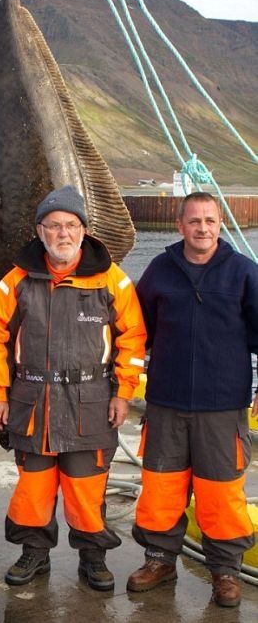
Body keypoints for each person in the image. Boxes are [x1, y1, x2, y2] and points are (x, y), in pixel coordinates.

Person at [0, 185, 146, 589]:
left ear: (84, 231)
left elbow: (133, 338)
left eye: (71, 225)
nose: (63, 234)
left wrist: (124, 392)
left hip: (91, 403)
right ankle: (34, 553)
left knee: (87, 490)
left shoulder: (113, 281)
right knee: (33, 489)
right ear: (40, 232)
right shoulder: (15, 282)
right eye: (54, 226)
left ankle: (93, 557)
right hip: (32, 402)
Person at [127, 192, 258, 608]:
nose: (203, 228)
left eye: (211, 221)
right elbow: (135, 329)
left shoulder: (244, 273)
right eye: (195, 221)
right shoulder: (160, 271)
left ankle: (225, 571)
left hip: (223, 406)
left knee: (221, 495)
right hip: (165, 402)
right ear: (180, 226)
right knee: (161, 490)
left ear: (220, 225)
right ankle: (159, 559)